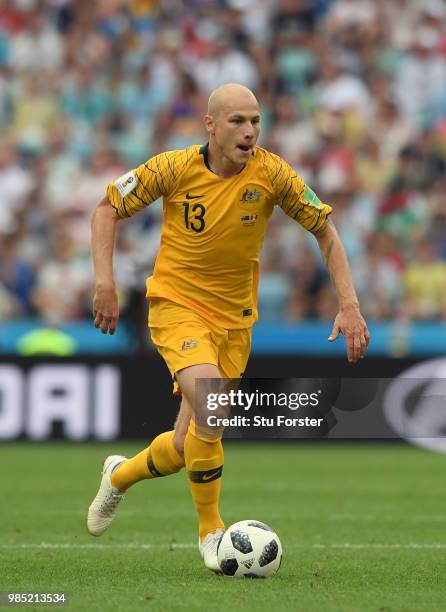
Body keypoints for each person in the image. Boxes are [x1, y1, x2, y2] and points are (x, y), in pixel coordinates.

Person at [87, 83, 370, 573]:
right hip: (177, 306)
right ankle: (211, 534)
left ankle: (119, 475)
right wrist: (105, 282)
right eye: (238, 121)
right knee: (214, 404)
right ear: (211, 126)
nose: (250, 131)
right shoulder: (171, 168)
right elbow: (106, 208)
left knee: (185, 444)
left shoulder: (273, 173)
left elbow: (324, 229)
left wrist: (349, 304)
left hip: (235, 321)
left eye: (255, 120)